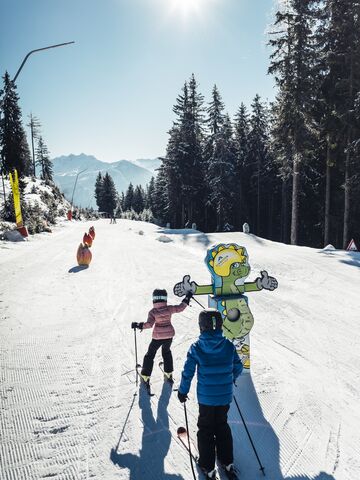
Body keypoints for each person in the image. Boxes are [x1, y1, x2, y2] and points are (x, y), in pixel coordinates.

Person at [177, 309, 243, 479]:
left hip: (206, 398)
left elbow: (188, 372)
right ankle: (227, 461)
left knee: (206, 429)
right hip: (224, 396)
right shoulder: (228, 345)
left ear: (201, 327)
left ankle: (208, 465)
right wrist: (230, 379)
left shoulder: (197, 347)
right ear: (220, 325)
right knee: (222, 425)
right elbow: (238, 366)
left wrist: (183, 391)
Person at [131, 289, 192, 383]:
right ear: (165, 299)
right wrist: (187, 298)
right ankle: (168, 372)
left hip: (157, 337)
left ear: (154, 299)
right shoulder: (169, 308)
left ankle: (146, 375)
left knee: (150, 355)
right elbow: (180, 308)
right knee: (166, 352)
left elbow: (149, 324)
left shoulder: (153, 312)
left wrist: (138, 325)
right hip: (169, 336)